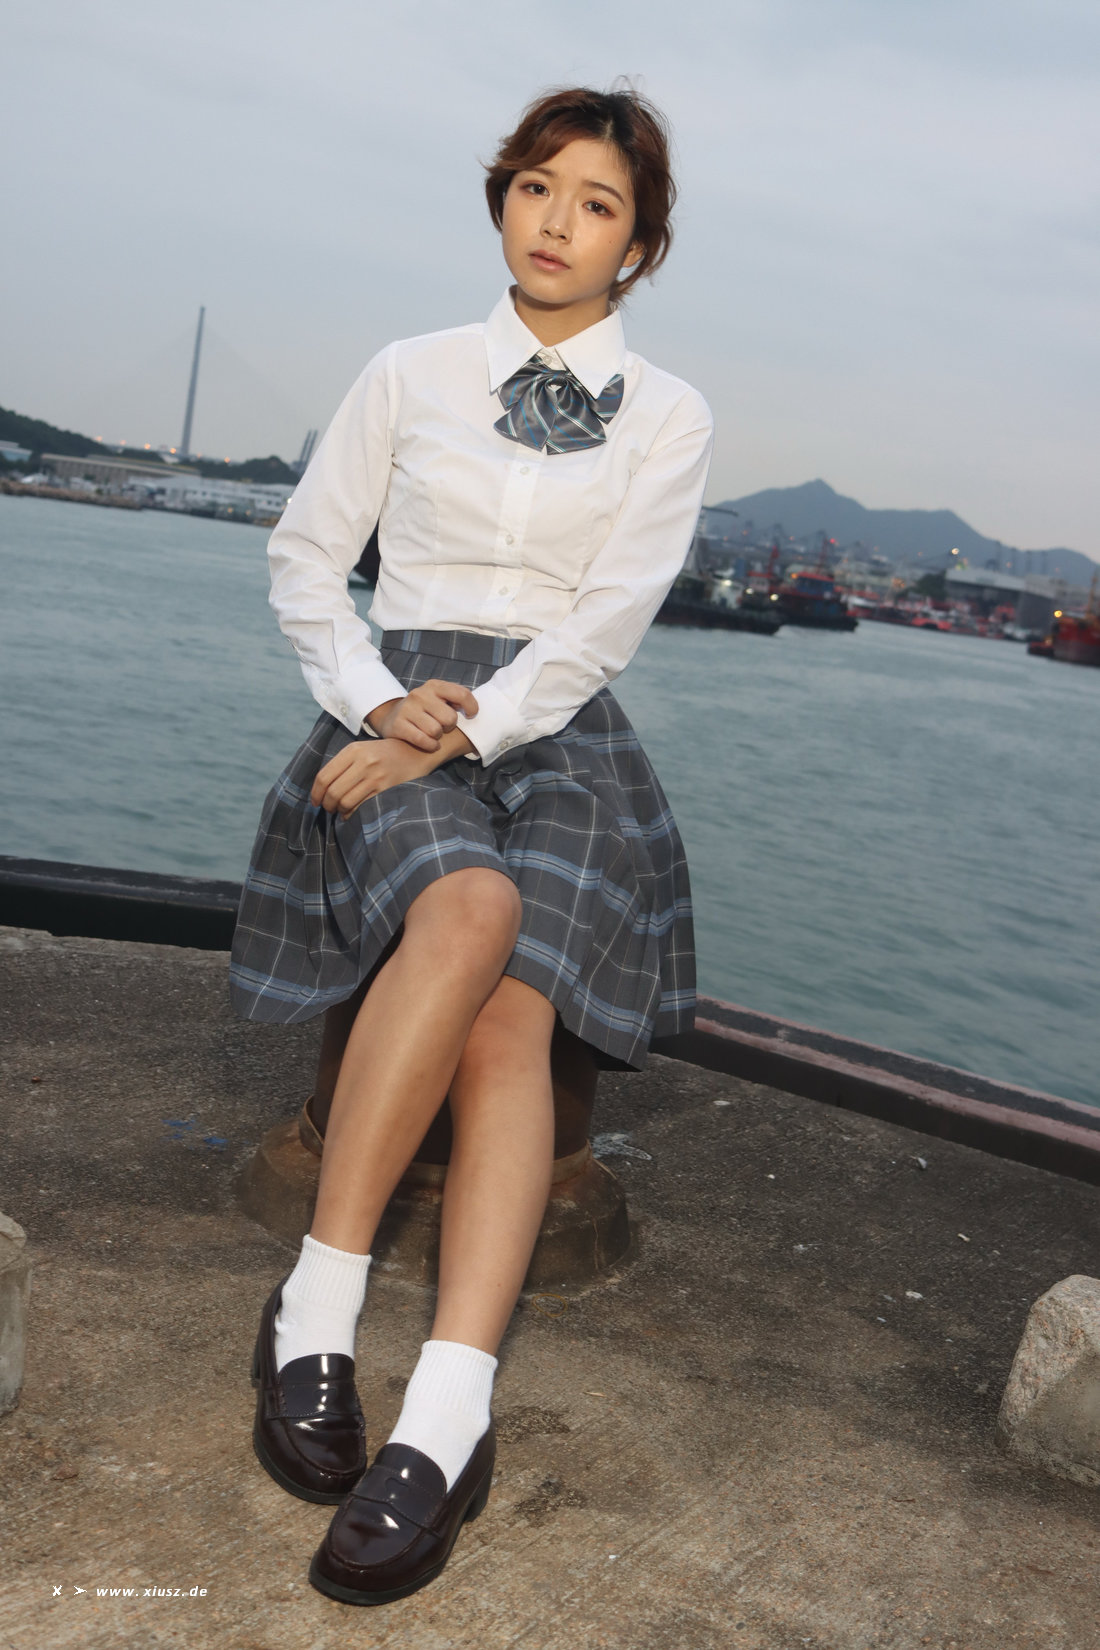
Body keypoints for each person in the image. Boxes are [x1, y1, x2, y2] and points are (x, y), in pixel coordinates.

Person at [230, 82, 714, 1607]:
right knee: (468, 911)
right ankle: (317, 1308)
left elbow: (601, 628)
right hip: (393, 709)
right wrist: (383, 700)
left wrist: (458, 729)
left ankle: (449, 1408)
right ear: (501, 198)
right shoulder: (410, 371)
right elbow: (307, 559)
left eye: (599, 204)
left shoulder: (672, 417)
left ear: (639, 247)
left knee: (513, 1015)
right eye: (537, 187)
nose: (559, 223)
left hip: (560, 736)